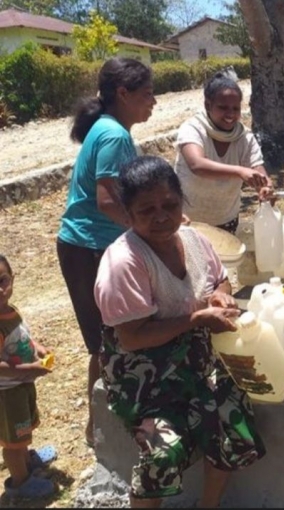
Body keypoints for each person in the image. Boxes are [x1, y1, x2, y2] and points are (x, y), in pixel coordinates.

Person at [93, 156, 266, 507]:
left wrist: (219, 295)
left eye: (170, 205)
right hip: (145, 377)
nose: (161, 217)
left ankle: (209, 505)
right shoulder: (124, 262)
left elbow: (220, 279)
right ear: (127, 214)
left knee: (233, 420)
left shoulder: (193, 239)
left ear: (182, 201)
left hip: (197, 360)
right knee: (161, 454)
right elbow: (132, 337)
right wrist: (198, 319)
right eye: (146, 210)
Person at [57, 57, 155, 449]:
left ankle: (100, 424)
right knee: (107, 341)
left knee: (106, 340)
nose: (153, 102)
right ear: (124, 94)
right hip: (87, 247)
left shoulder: (109, 129)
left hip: (87, 245)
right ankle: (100, 428)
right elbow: (106, 201)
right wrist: (150, 231)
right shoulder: (114, 135)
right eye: (147, 94)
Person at [174, 72, 271, 234]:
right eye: (223, 107)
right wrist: (240, 171)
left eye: (236, 108)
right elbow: (197, 165)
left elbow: (257, 168)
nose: (231, 114)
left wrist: (266, 186)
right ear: (207, 105)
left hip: (226, 219)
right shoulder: (193, 129)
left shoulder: (244, 137)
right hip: (189, 220)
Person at [0, 255, 57, 499]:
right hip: (7, 392)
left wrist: (38, 348)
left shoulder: (10, 311)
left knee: (23, 428)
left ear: (12, 279)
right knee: (12, 440)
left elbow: (23, 337)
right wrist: (31, 369)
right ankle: (20, 482)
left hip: (21, 386)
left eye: (2, 280)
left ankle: (26, 459)